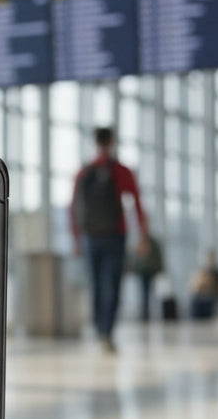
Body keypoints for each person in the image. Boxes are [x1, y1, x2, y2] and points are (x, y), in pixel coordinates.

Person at [70, 127, 148, 353]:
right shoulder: (121, 171)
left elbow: (73, 208)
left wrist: (76, 238)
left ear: (95, 142)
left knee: (95, 284)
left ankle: (99, 329)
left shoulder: (83, 172)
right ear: (112, 142)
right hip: (116, 234)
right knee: (112, 284)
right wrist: (142, 235)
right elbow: (136, 203)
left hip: (90, 236)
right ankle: (107, 332)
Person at [128, 230, 164, 322]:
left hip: (150, 271)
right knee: (142, 293)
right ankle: (144, 313)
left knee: (148, 292)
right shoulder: (139, 242)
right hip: (141, 271)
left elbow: (158, 257)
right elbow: (134, 257)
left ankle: (146, 313)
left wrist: (160, 269)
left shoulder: (153, 243)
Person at [189, 250, 218, 319]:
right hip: (199, 300)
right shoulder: (200, 271)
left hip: (211, 299)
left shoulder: (217, 273)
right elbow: (194, 288)